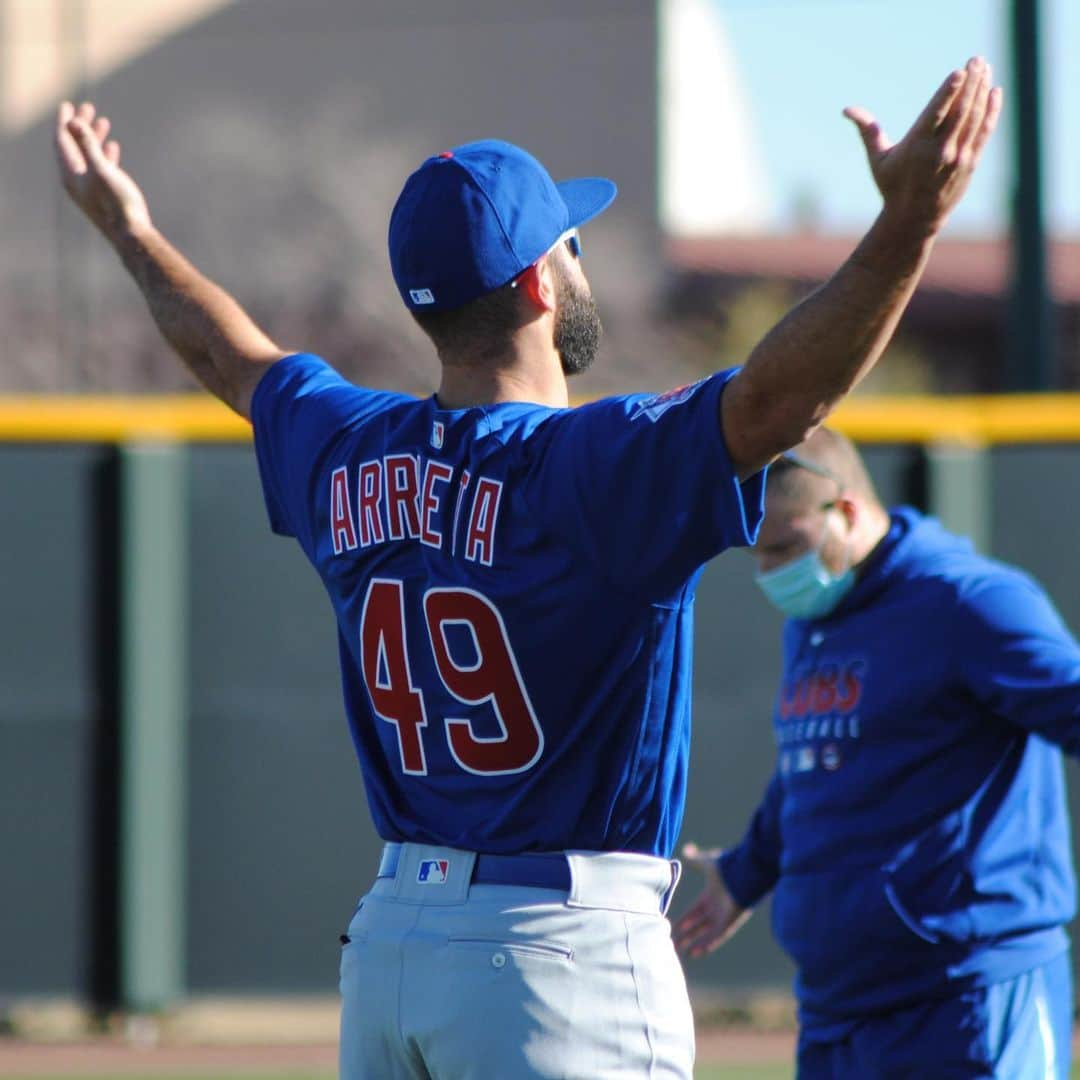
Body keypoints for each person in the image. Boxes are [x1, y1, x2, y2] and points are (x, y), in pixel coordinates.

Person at [55, 58, 1000, 1079]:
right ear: (539, 282)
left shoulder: (350, 446)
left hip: (391, 948)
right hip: (560, 953)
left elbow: (230, 357)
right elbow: (782, 401)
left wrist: (130, 232)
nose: (579, 254)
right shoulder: (594, 466)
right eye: (570, 239)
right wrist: (912, 222)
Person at [675, 428, 1080, 1079]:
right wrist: (747, 872)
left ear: (849, 512)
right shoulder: (815, 621)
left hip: (965, 998)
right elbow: (813, 766)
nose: (770, 571)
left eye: (785, 546)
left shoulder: (970, 603)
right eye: (758, 553)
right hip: (840, 1012)